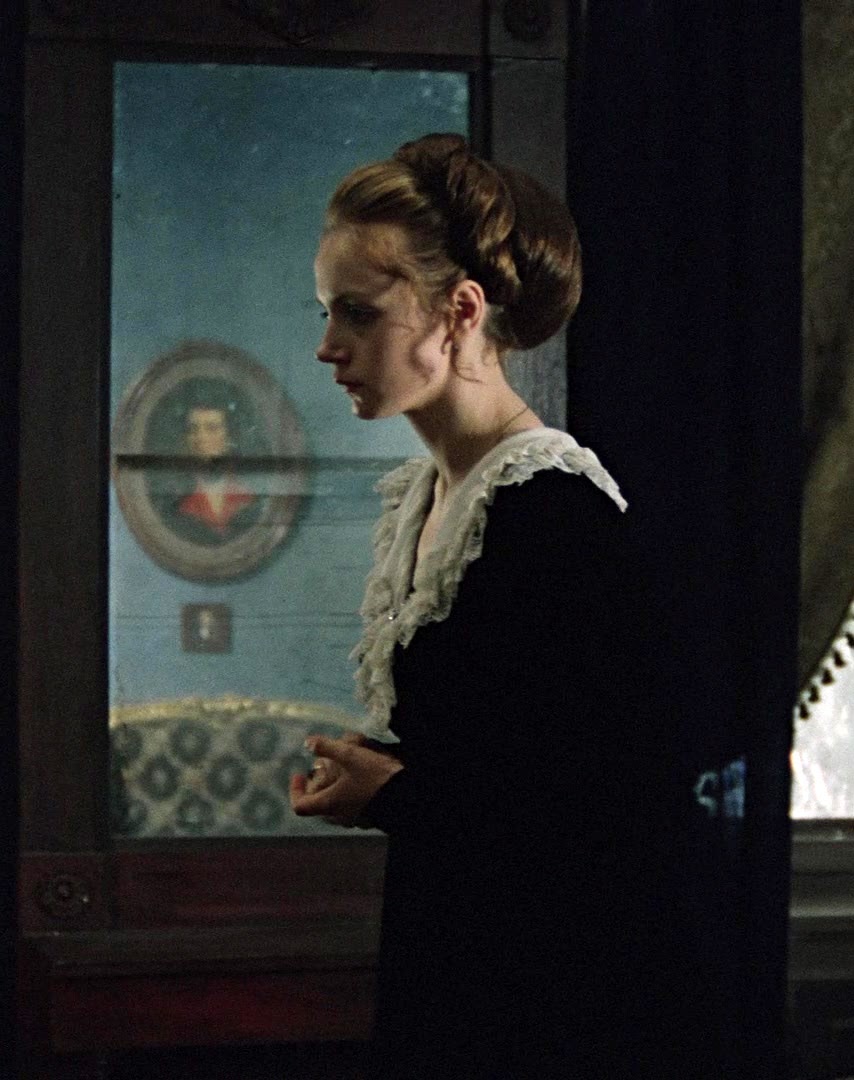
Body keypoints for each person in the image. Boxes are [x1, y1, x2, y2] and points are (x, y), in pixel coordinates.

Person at [289, 133, 696, 1078]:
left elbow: (618, 808)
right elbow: (503, 749)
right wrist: (385, 776)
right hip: (457, 943)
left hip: (554, 988)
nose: (327, 346)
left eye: (359, 312)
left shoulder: (552, 513)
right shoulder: (432, 498)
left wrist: (396, 793)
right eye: (326, 311)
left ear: (460, 312)